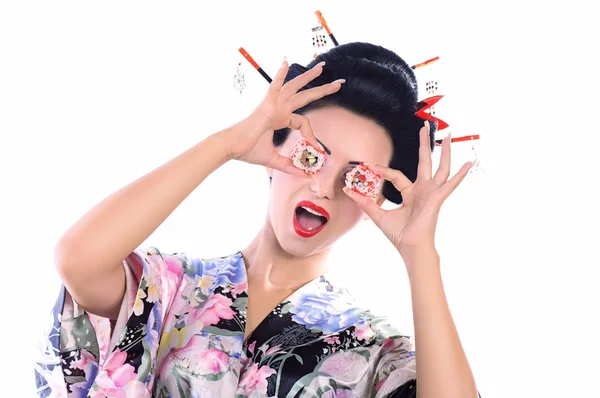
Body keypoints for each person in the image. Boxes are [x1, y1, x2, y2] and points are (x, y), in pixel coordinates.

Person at [34, 42, 479, 397]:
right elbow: (79, 260)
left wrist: (420, 254)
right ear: (271, 151)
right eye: (312, 156)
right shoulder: (171, 288)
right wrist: (225, 146)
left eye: (356, 179)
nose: (323, 187)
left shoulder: (373, 351)